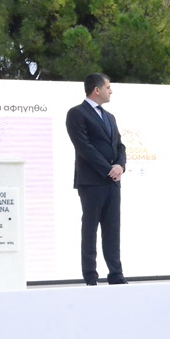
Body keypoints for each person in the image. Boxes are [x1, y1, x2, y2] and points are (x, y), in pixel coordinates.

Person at [66, 73, 128, 286]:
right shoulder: (76, 113)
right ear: (96, 89)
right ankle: (91, 277)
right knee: (90, 229)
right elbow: (83, 147)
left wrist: (120, 166)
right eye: (108, 87)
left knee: (112, 229)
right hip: (91, 182)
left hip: (113, 182)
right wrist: (107, 169)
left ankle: (116, 275)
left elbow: (119, 145)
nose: (111, 91)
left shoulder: (110, 117)